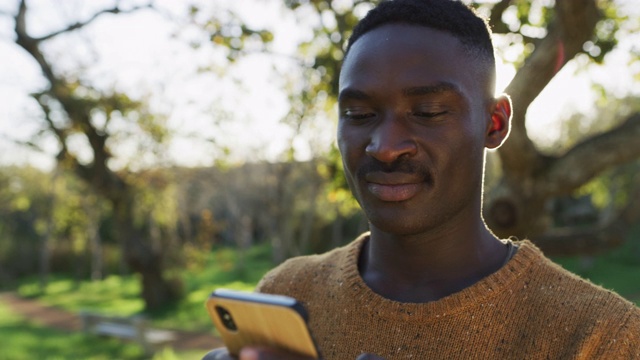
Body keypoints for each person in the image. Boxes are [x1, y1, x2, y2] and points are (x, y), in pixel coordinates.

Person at [204, 0, 640, 358]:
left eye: (428, 112)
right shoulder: (289, 293)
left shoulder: (600, 337)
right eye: (359, 115)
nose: (385, 146)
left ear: (494, 123)